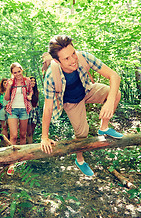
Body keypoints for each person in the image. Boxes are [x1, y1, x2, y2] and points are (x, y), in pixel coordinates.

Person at [40, 35, 123, 176]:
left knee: (116, 93)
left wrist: (109, 101)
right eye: (66, 58)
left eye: (73, 54)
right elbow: (47, 108)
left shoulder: (83, 57)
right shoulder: (50, 76)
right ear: (56, 61)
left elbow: (114, 76)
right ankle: (80, 160)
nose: (73, 60)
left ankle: (104, 128)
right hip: (71, 102)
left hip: (87, 89)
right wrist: (44, 137)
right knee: (82, 133)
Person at [4, 62, 33, 175]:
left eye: (19, 71)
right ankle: (12, 162)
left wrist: (30, 95)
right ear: (12, 73)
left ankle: (22, 158)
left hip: (24, 110)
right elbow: (6, 98)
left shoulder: (27, 81)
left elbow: (31, 90)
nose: (17, 74)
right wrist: (9, 86)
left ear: (22, 70)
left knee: (23, 135)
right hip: (13, 110)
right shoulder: (10, 82)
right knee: (14, 136)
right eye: (14, 73)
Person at [27, 76, 40, 144]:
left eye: (34, 81)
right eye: (31, 81)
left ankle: (30, 143)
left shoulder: (37, 91)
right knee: (28, 131)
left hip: (35, 111)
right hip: (28, 112)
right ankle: (29, 144)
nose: (33, 82)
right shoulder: (26, 91)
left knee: (32, 130)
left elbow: (36, 102)